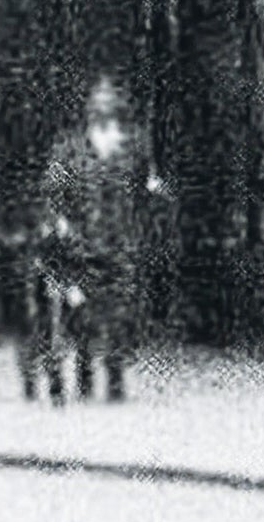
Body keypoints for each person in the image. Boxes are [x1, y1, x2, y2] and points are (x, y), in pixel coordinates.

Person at [27, 75, 163, 400]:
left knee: (121, 312)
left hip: (122, 241)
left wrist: (155, 202)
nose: (104, 108)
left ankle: (115, 376)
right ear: (88, 109)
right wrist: (57, 223)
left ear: (119, 107)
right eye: (97, 102)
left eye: (110, 101)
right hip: (80, 243)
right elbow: (51, 190)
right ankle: (84, 371)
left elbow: (148, 185)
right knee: (80, 311)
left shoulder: (134, 145)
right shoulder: (70, 147)